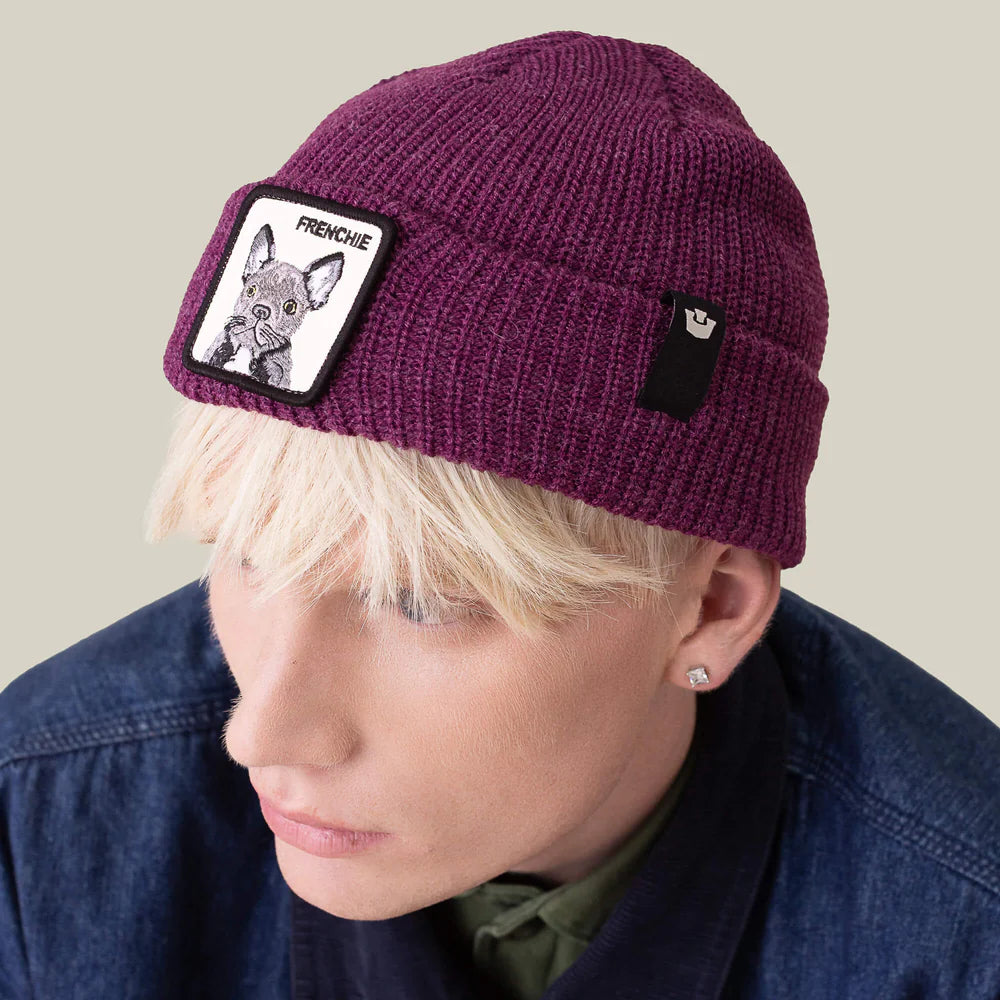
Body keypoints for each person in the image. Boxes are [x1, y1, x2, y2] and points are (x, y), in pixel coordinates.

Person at [2, 28, 998, 1000]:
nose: (261, 730)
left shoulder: (963, 934)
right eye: (251, 556)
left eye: (421, 603)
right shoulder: (37, 822)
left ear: (711, 609)